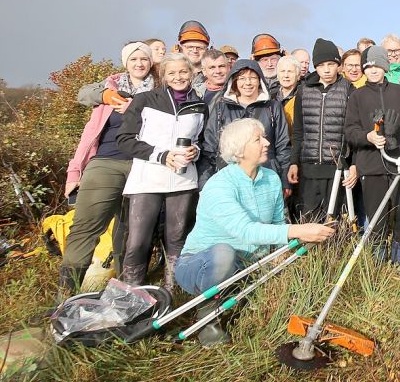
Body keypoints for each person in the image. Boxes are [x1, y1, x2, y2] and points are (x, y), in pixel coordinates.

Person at [175, 118, 335, 345]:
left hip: (248, 265)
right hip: (199, 264)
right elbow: (245, 231)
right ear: (239, 150)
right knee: (224, 253)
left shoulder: (270, 178)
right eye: (258, 139)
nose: (267, 142)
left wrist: (283, 252)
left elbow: (278, 223)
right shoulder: (220, 185)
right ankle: (208, 321)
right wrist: (300, 230)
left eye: (264, 137)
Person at [59, 42, 156, 293]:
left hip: (142, 165)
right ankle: (67, 294)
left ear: (151, 62)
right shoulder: (108, 88)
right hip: (105, 163)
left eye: (144, 59)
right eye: (133, 59)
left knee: (131, 232)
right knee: (86, 226)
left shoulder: (159, 90)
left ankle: (125, 295)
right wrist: (74, 172)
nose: (139, 64)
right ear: (126, 63)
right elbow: (87, 132)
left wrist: (137, 108)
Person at [116, 53, 207, 288]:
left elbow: (202, 140)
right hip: (147, 179)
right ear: (163, 76)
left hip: (183, 180)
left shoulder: (199, 105)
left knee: (177, 239)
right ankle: (131, 294)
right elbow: (124, 140)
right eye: (172, 73)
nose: (178, 77)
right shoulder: (145, 100)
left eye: (183, 72)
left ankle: (173, 292)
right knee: (138, 240)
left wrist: (195, 151)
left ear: (191, 73)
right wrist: (162, 155)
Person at [344, 46, 400, 264]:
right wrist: (367, 137)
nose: (373, 70)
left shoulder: (399, 93)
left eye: (377, 65)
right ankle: (378, 263)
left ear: (385, 67)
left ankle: (399, 261)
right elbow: (350, 131)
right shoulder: (357, 97)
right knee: (376, 217)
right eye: (368, 67)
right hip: (371, 167)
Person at [287, 39, 356, 223]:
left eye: (331, 64)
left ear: (338, 66)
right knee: (308, 220)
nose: (326, 70)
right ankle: (309, 253)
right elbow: (299, 131)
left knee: (335, 223)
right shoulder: (303, 91)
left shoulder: (349, 90)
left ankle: (334, 252)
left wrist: (353, 163)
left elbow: (352, 132)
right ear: (315, 67)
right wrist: (294, 162)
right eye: (321, 65)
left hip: (336, 168)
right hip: (308, 168)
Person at [199, 59, 290, 188]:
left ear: (260, 81)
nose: (247, 83)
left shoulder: (273, 107)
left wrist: (285, 181)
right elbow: (210, 147)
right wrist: (205, 183)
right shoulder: (221, 108)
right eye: (241, 78)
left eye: (252, 78)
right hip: (229, 177)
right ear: (234, 81)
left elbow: (283, 146)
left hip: (266, 175)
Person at [177, 20, 211, 88]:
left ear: (207, 50)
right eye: (190, 47)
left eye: (199, 48)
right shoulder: (170, 75)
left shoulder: (214, 75)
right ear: (180, 49)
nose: (195, 51)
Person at [275, 55, 301, 132]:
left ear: (298, 75)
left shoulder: (303, 96)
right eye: (282, 71)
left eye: (290, 71)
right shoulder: (269, 96)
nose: (286, 75)